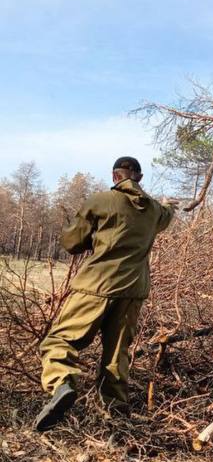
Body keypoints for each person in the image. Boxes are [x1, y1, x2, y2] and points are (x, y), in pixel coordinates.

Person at [35, 156, 175, 431]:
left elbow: (72, 243)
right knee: (116, 355)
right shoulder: (156, 210)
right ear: (140, 177)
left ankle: (61, 383)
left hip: (96, 286)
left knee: (60, 340)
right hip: (133, 291)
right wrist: (170, 204)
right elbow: (167, 216)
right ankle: (115, 418)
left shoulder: (100, 201)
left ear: (115, 177)